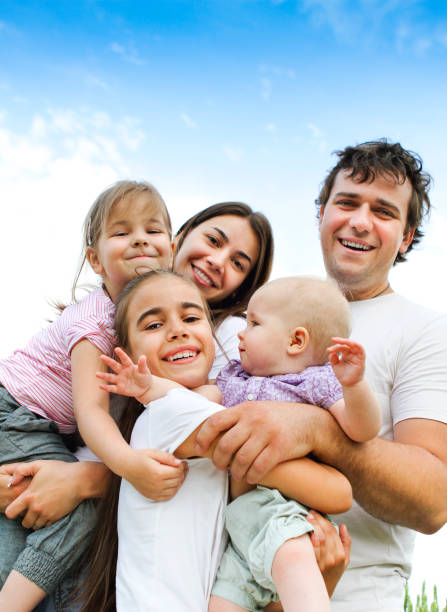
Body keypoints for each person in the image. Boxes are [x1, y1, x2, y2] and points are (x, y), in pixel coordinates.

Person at [195, 140, 447, 612]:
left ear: (407, 236)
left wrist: (314, 429)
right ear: (320, 214)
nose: (360, 221)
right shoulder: (268, 312)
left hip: (354, 595)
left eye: (384, 211)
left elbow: (435, 499)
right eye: (347, 202)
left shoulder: (427, 331)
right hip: (230, 581)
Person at [0, 200, 275, 611]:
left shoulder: (220, 343)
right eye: (213, 241)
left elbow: (202, 444)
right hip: (57, 492)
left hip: (115, 534)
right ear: (176, 239)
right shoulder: (100, 317)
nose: (218, 262)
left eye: (238, 263)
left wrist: (86, 480)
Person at [93, 270, 352, 611]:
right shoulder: (171, 413)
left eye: (191, 317)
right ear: (125, 352)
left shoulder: (203, 408)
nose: (177, 330)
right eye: (153, 325)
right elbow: (338, 493)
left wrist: (324, 576)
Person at [0, 180, 177, 612]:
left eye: (152, 229)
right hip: (15, 411)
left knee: (38, 513)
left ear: (171, 247)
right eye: (121, 232)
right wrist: (129, 464)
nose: (139, 238)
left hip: (34, 422)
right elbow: (92, 413)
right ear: (95, 260)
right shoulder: (96, 324)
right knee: (78, 509)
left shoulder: (148, 320)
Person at [207, 276, 380, 611]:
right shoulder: (234, 377)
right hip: (240, 534)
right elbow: (197, 406)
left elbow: (363, 429)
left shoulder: (314, 383)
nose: (241, 332)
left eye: (254, 323)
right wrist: (152, 389)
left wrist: (355, 385)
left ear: (296, 341)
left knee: (296, 570)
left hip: (288, 517)